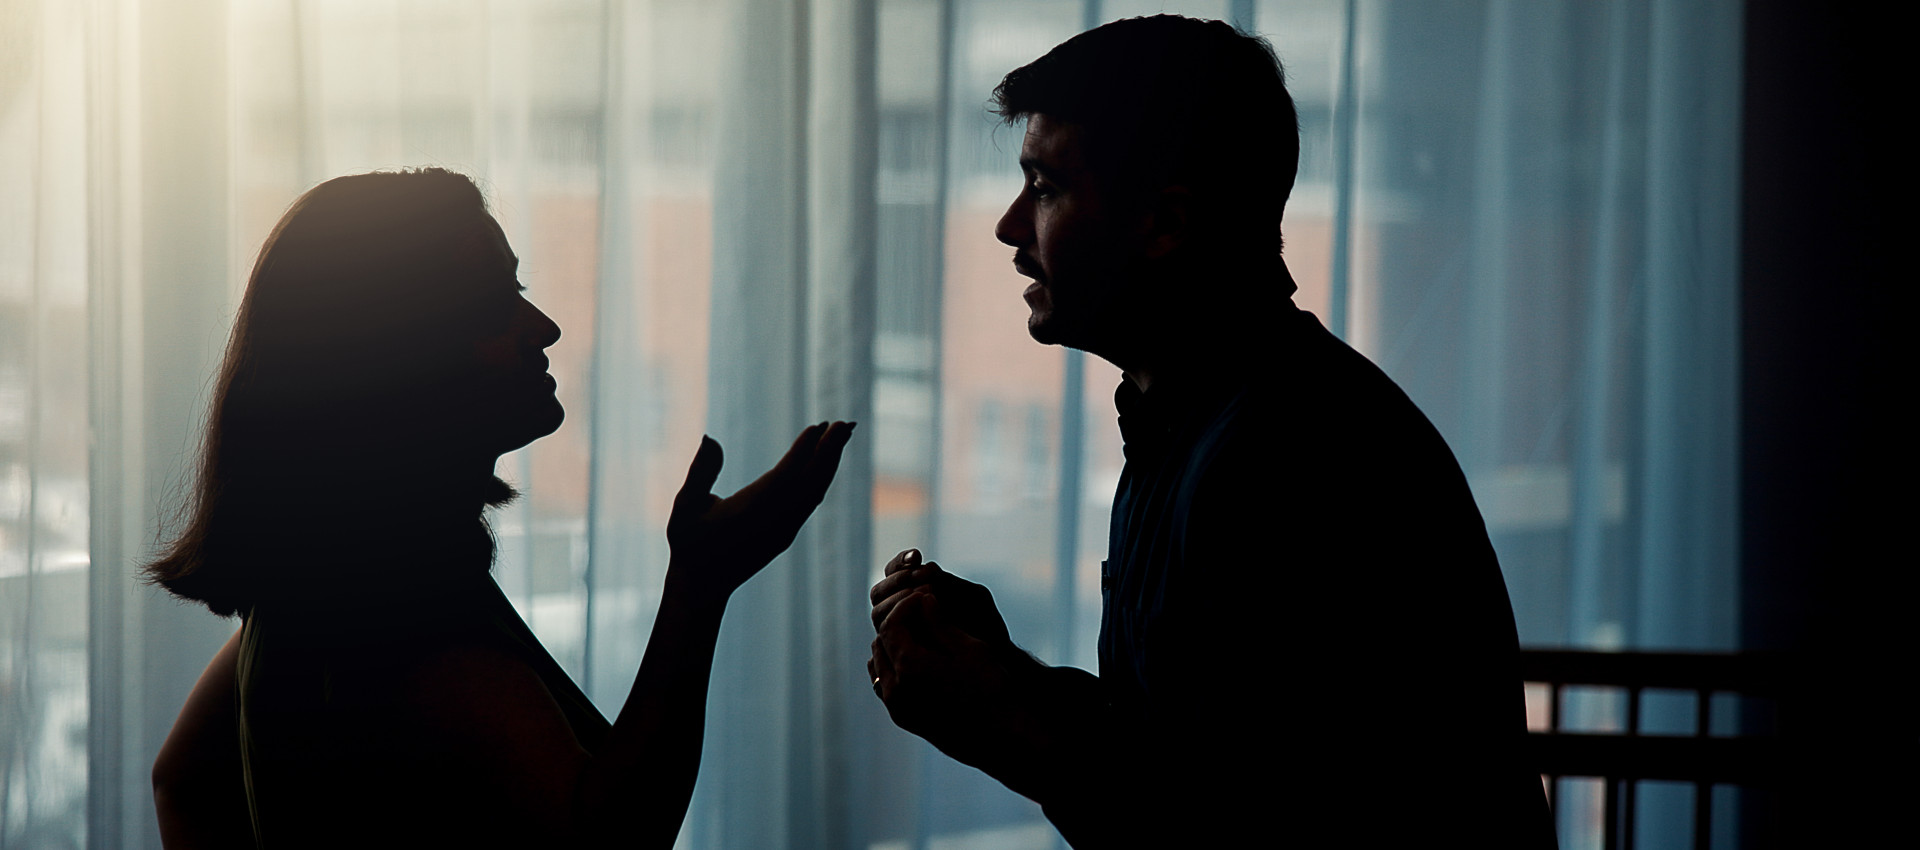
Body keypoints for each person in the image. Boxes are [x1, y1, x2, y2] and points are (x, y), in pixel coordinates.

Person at [866, 16, 1555, 848]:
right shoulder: (1204, 420)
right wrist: (1004, 675)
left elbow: (1227, 826)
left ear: (1165, 225)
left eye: (1045, 187)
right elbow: (1183, 754)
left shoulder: (1289, 461)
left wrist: (1006, 713)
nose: (1011, 228)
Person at [145, 168, 854, 848]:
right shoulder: (396, 609)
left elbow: (182, 780)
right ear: (398, 355)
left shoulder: (319, 586)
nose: (543, 326)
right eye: (491, 302)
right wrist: (699, 587)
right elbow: (609, 839)